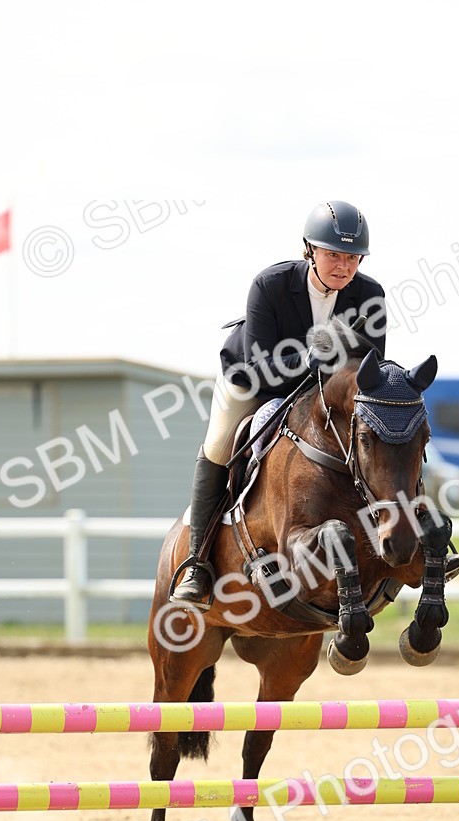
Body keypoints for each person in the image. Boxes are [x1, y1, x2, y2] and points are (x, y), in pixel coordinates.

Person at [171, 200, 385, 607]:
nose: (343, 267)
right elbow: (260, 370)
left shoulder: (369, 294)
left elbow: (367, 374)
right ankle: (197, 564)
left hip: (321, 391)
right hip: (252, 381)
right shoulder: (270, 285)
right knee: (220, 445)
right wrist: (311, 358)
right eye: (333, 255)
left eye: (353, 258)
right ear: (310, 250)